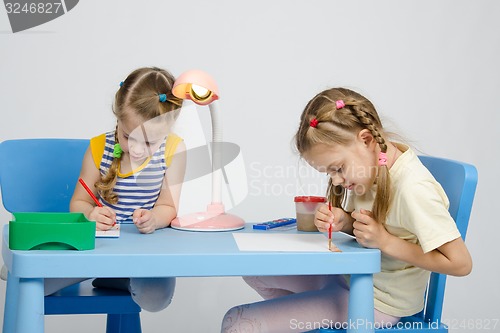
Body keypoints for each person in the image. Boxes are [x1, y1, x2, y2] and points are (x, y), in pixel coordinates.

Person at [221, 87, 472, 332]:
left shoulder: (413, 188)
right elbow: (375, 226)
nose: (337, 181)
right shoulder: (373, 167)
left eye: (337, 168)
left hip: (378, 303)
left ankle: (295, 319)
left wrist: (386, 242)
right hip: (350, 278)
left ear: (366, 139)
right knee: (255, 272)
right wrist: (345, 222)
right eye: (329, 172)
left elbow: (461, 263)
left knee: (238, 323)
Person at [44, 66, 186, 312]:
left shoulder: (175, 149)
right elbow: (79, 202)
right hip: (99, 247)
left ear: (168, 129)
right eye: (128, 136)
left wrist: (154, 219)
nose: (137, 150)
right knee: (35, 283)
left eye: (150, 142)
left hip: (143, 250)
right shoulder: (99, 147)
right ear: (118, 119)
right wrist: (89, 215)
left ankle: (117, 277)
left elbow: (168, 206)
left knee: (156, 299)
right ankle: (109, 273)